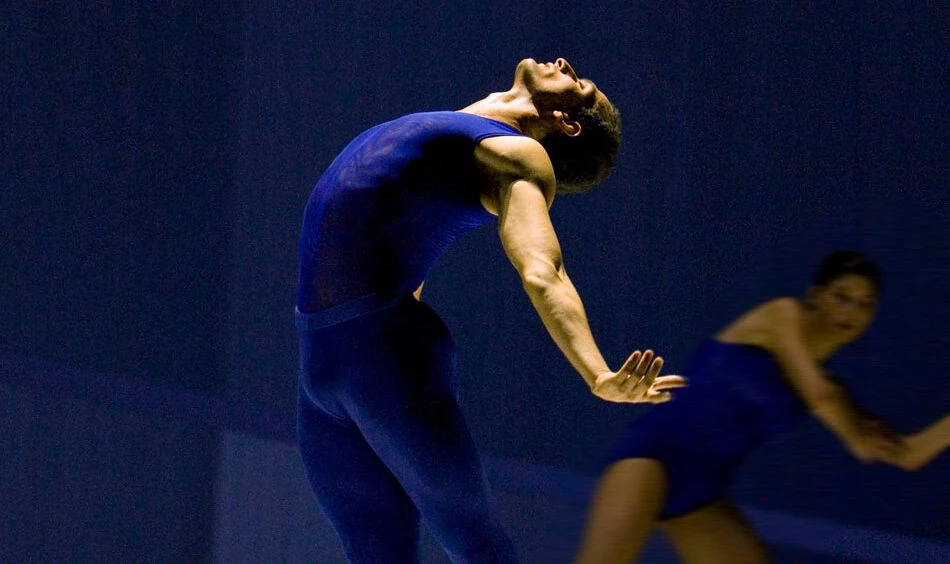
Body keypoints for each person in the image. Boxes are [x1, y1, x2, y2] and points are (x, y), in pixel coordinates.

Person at [294, 58, 687, 564]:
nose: (567, 65)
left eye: (580, 85)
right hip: (325, 362)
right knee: (376, 548)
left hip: (380, 357)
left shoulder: (519, 155)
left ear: (566, 123)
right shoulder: (450, 136)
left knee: (474, 543)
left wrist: (597, 374)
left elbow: (543, 269)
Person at [575, 250, 949, 564]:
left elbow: (908, 454)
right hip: (651, 459)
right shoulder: (780, 316)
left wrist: (864, 437)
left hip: (703, 490)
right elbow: (820, 398)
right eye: (842, 295)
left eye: (865, 303)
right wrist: (855, 434)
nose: (851, 311)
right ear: (816, 293)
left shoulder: (830, 389)